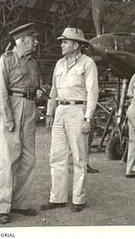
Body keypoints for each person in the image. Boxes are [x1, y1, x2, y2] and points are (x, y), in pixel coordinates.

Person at [40, 27, 99, 212]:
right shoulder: (59, 64)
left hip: (78, 111)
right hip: (60, 111)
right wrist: (50, 112)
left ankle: (78, 199)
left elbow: (92, 92)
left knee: (79, 158)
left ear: (76, 44)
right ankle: (57, 198)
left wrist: (88, 118)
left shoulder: (88, 64)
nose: (62, 45)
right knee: (57, 156)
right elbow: (53, 91)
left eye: (65, 41)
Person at [0, 22, 41, 224]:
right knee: (7, 159)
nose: (36, 42)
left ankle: (20, 204)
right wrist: (8, 117)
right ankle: (4, 207)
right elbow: (2, 91)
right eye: (33, 38)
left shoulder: (32, 62)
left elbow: (36, 86)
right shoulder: (7, 59)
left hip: (30, 109)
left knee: (28, 160)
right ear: (23, 40)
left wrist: (39, 94)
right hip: (13, 107)